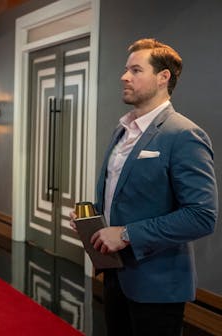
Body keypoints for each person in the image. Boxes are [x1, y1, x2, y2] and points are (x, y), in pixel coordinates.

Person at [70, 38, 217, 336]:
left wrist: (125, 235)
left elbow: (202, 216)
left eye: (136, 70)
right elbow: (126, 195)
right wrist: (92, 219)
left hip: (158, 285)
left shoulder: (185, 134)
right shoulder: (121, 130)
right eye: (126, 70)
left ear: (163, 77)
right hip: (115, 275)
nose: (124, 76)